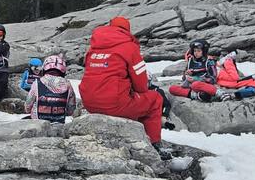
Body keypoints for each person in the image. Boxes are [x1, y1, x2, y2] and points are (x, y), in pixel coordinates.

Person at [79, 16, 164, 144]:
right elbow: (141, 86)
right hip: (114, 104)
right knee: (155, 100)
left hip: (89, 103)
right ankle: (153, 144)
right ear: (127, 30)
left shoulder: (93, 47)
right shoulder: (129, 47)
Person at [25, 55, 76, 123]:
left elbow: (27, 107)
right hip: (59, 123)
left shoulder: (37, 82)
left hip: (38, 123)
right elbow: (71, 110)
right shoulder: (68, 85)